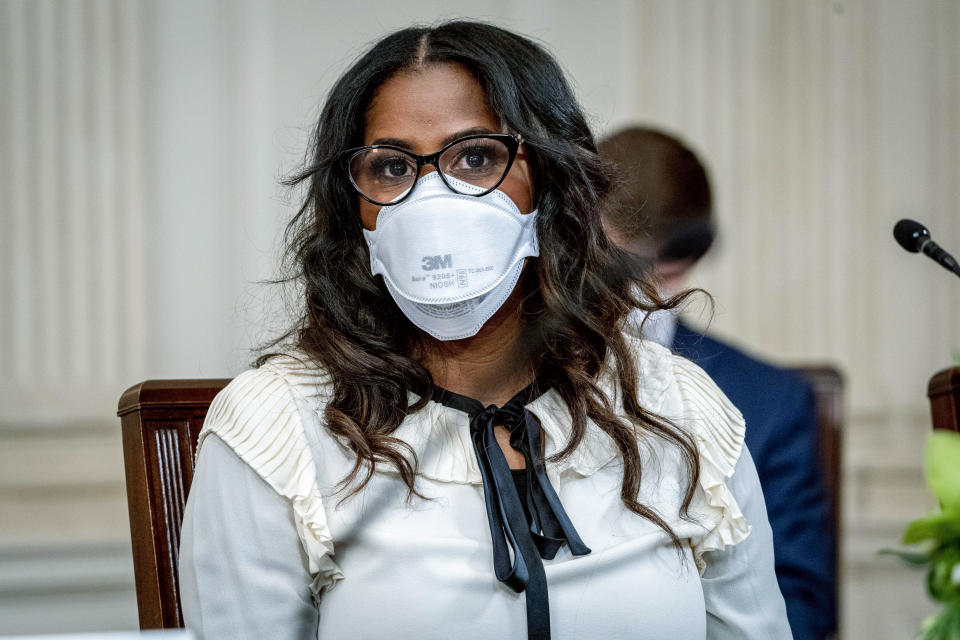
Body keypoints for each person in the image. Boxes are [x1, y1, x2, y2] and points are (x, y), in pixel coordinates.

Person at [178, 22, 792, 640]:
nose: (432, 200)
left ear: (551, 184)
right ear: (352, 205)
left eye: (476, 158)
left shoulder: (679, 408)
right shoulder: (274, 426)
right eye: (392, 167)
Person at [598, 126, 836, 640]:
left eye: (666, 273)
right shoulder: (505, 375)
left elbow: (804, 605)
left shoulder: (773, 403)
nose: (640, 293)